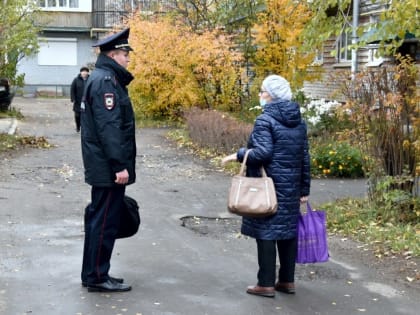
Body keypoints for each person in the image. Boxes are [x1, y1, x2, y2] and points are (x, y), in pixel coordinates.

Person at [222, 74, 310, 298]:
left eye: (262, 91)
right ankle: (287, 281)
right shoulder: (298, 121)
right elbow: (304, 158)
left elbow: (262, 153)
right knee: (288, 233)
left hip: (268, 186)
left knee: (267, 232)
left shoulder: (265, 120)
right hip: (290, 186)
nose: (260, 94)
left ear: (270, 95)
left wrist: (238, 155)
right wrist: (303, 190)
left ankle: (265, 283)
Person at [80, 28, 136, 293]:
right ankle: (97, 276)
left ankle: (94, 273)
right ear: (114, 54)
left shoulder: (104, 78)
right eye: (125, 54)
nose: (128, 59)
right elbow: (109, 129)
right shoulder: (106, 82)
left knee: (98, 220)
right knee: (104, 222)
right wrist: (119, 166)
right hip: (107, 168)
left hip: (102, 166)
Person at [70, 66, 89, 132]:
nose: (84, 73)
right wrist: (73, 98)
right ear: (80, 72)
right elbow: (72, 89)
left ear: (87, 73)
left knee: (87, 115)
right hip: (78, 101)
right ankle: (78, 126)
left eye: (85, 71)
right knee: (77, 115)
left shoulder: (90, 79)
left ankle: (85, 127)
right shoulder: (76, 80)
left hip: (87, 101)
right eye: (83, 71)